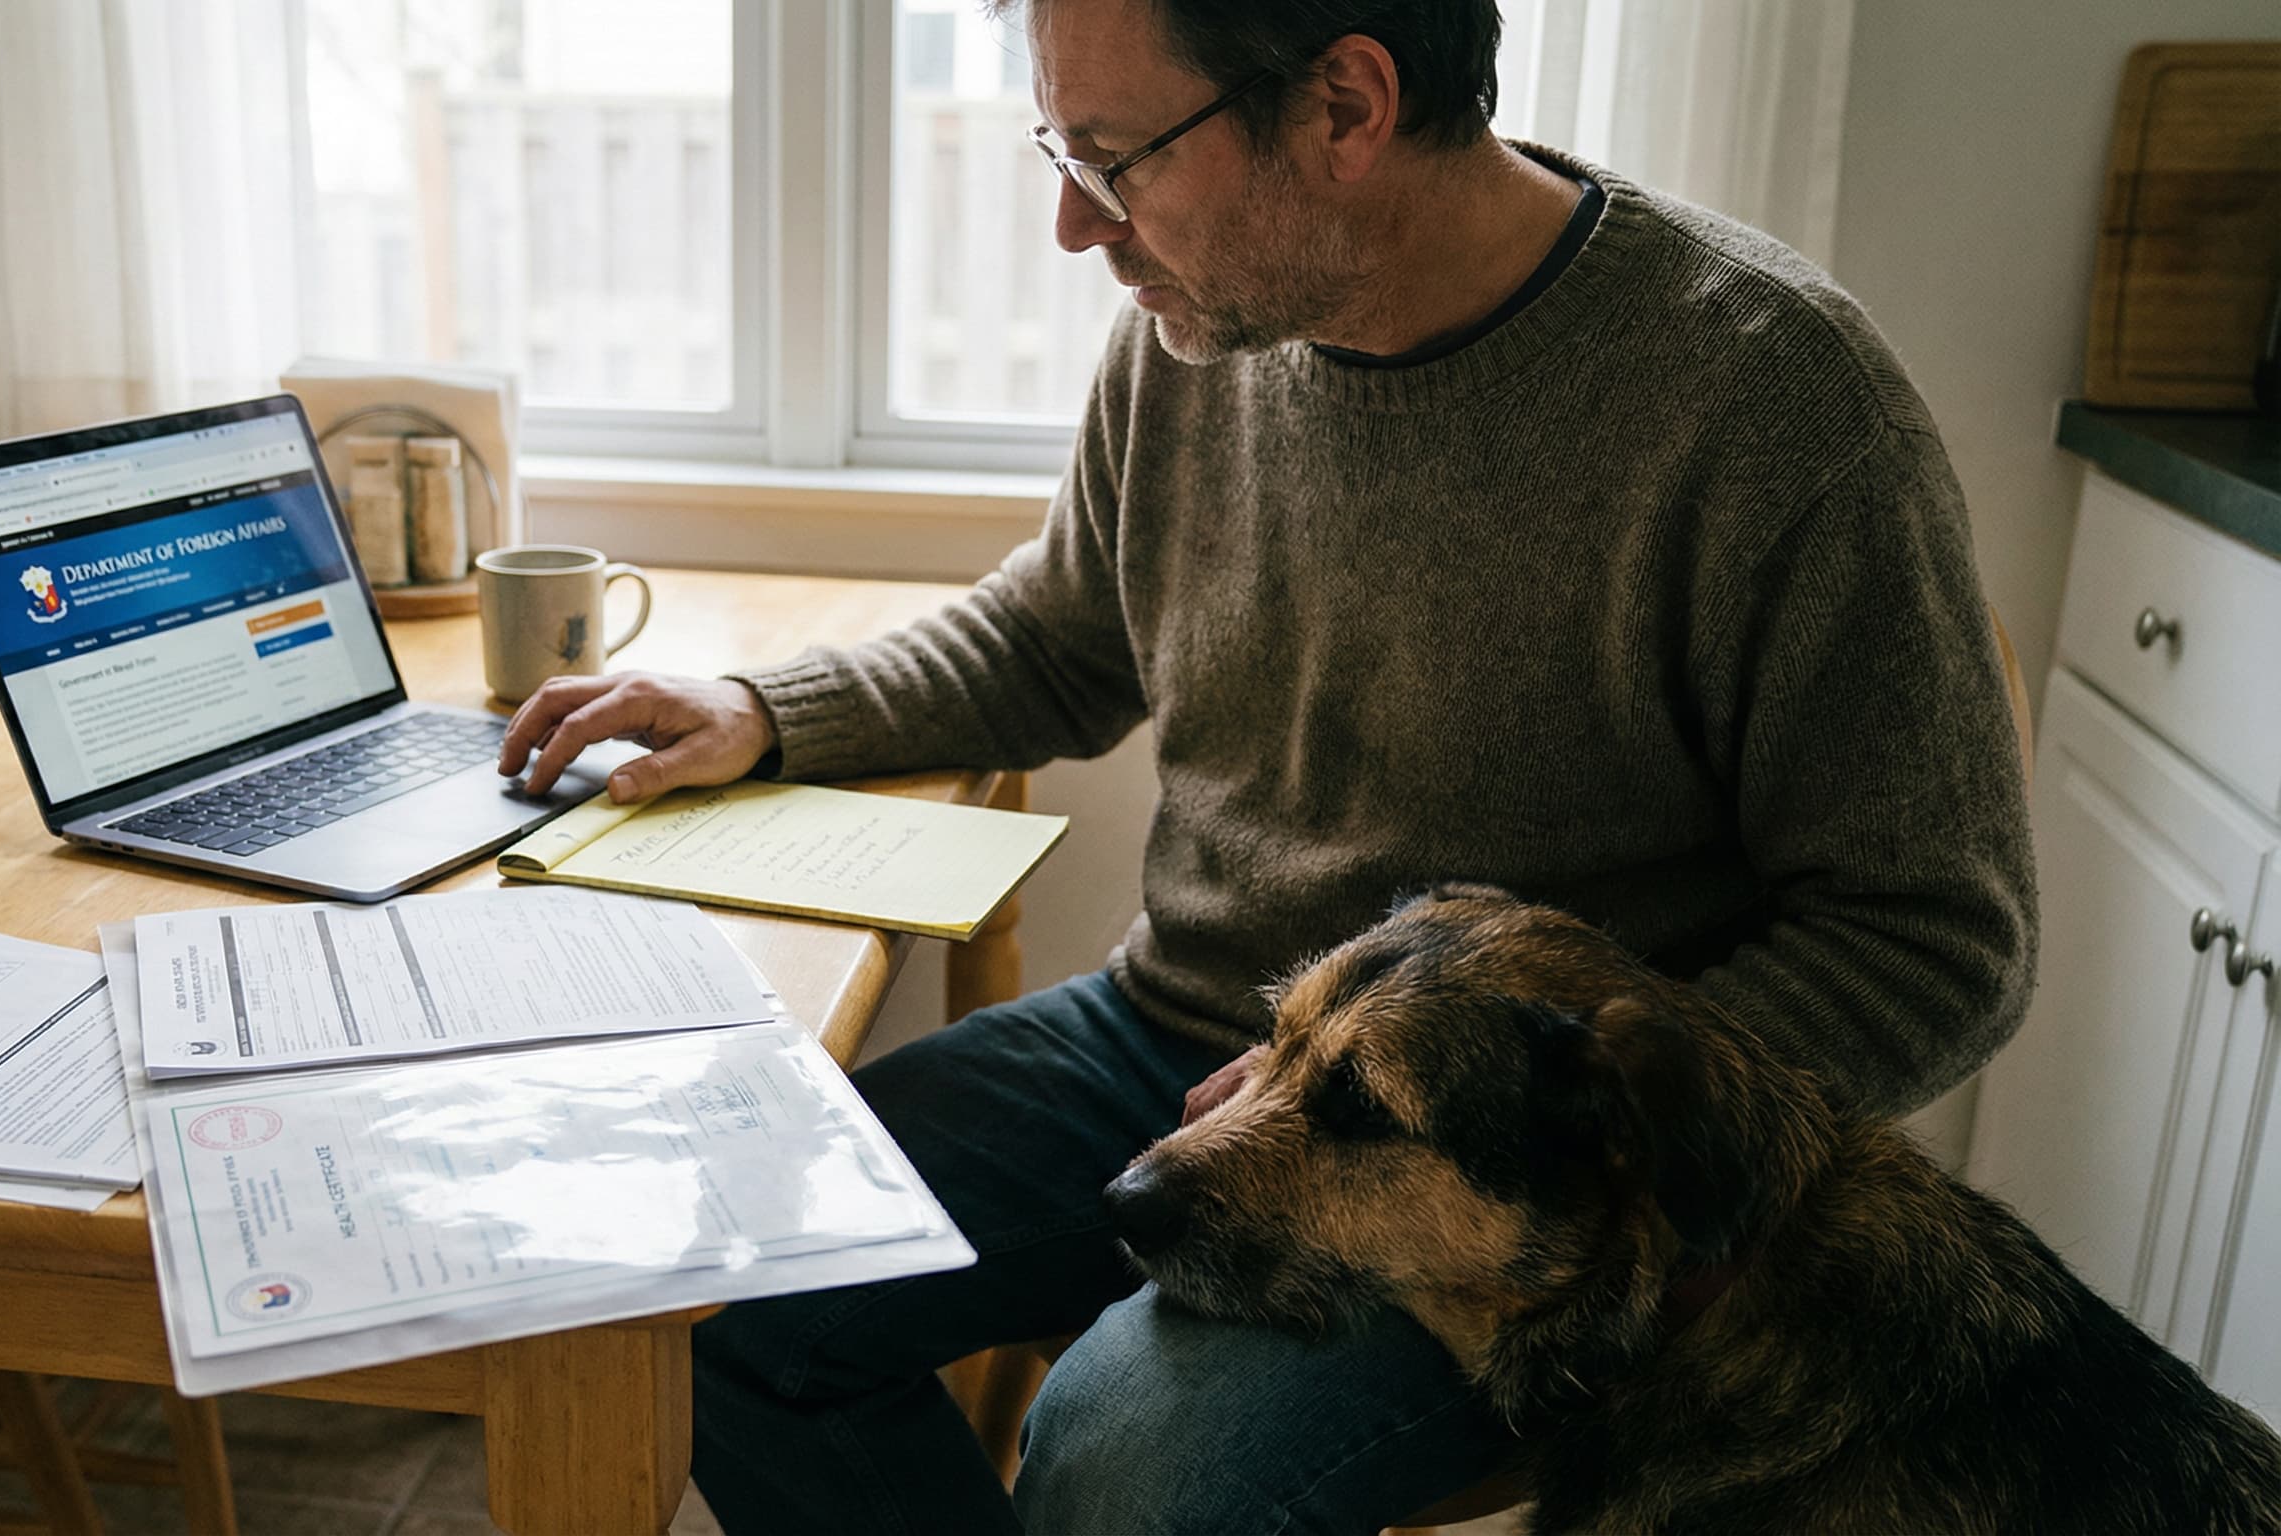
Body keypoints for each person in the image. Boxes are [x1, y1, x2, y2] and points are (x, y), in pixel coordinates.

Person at [495, 0, 2038, 1529]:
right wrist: (765, 708)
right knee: (706, 1282)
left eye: (1113, 159)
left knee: (1119, 1461)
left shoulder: (1773, 401)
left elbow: (1934, 940)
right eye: (1062, 150)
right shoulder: (1199, 328)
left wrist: (1582, 1124)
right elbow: (1056, 638)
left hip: (1477, 1174)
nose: (1069, 225)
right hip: (1164, 1036)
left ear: (1347, 108)